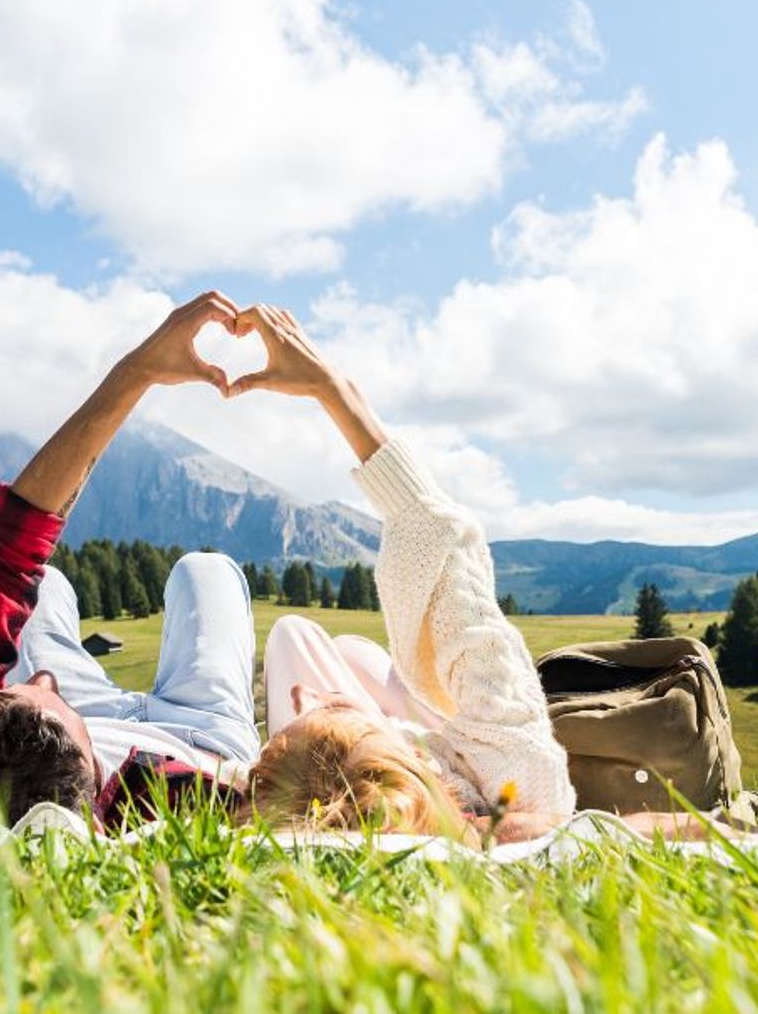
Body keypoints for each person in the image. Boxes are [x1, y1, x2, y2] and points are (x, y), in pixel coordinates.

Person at [0, 291, 261, 829]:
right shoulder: (180, 802)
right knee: (205, 571)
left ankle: (58, 712)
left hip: (86, 715)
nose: (46, 677)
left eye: (20, 690)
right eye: (48, 692)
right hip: (201, 735)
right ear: (95, 794)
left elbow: (8, 548)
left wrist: (135, 372)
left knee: (42, 583)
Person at [222, 303, 577, 838]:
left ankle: (358, 707)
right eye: (320, 717)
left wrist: (332, 723)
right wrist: (333, 389)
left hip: (396, 765)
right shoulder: (517, 771)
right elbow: (445, 550)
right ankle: (369, 711)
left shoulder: (409, 810)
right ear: (394, 753)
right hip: (451, 753)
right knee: (334, 650)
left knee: (309, 639)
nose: (301, 698)